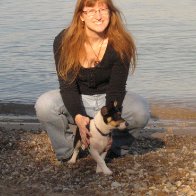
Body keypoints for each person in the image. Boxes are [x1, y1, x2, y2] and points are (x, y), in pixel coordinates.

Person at [35, 0, 150, 162]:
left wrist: (107, 131)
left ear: (110, 13)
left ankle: (115, 149)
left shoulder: (121, 42)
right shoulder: (64, 40)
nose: (98, 16)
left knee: (140, 110)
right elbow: (68, 87)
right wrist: (79, 117)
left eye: (103, 10)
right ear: (81, 16)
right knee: (45, 105)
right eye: (91, 11)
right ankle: (67, 152)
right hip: (77, 97)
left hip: (108, 99)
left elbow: (116, 89)